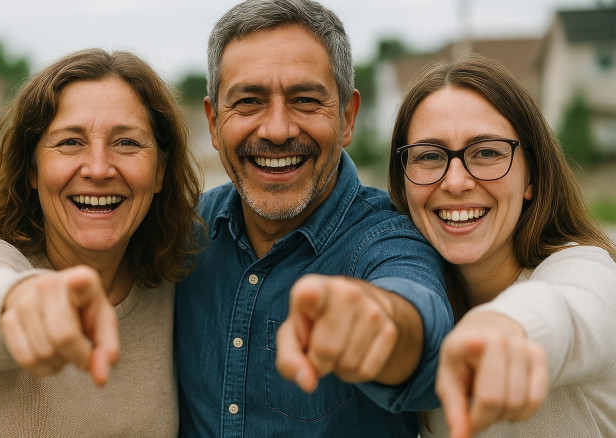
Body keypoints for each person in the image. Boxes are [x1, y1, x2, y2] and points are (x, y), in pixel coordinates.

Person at [174, 0, 453, 436]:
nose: (278, 129)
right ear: (213, 123)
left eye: (305, 100)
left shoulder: (387, 240)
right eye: (248, 101)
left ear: (347, 117)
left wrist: (381, 323)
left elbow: (421, 327)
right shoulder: (183, 236)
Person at [0, 48, 202, 437]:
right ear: (32, 168)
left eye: (127, 143)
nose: (99, 168)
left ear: (160, 173)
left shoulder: (172, 286)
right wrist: (22, 302)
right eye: (70, 142)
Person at [386, 54, 616, 438]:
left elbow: (577, 312)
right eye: (429, 156)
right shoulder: (425, 310)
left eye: (487, 152)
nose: (456, 182)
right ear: (404, 182)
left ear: (531, 177)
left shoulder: (586, 267)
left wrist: (507, 327)